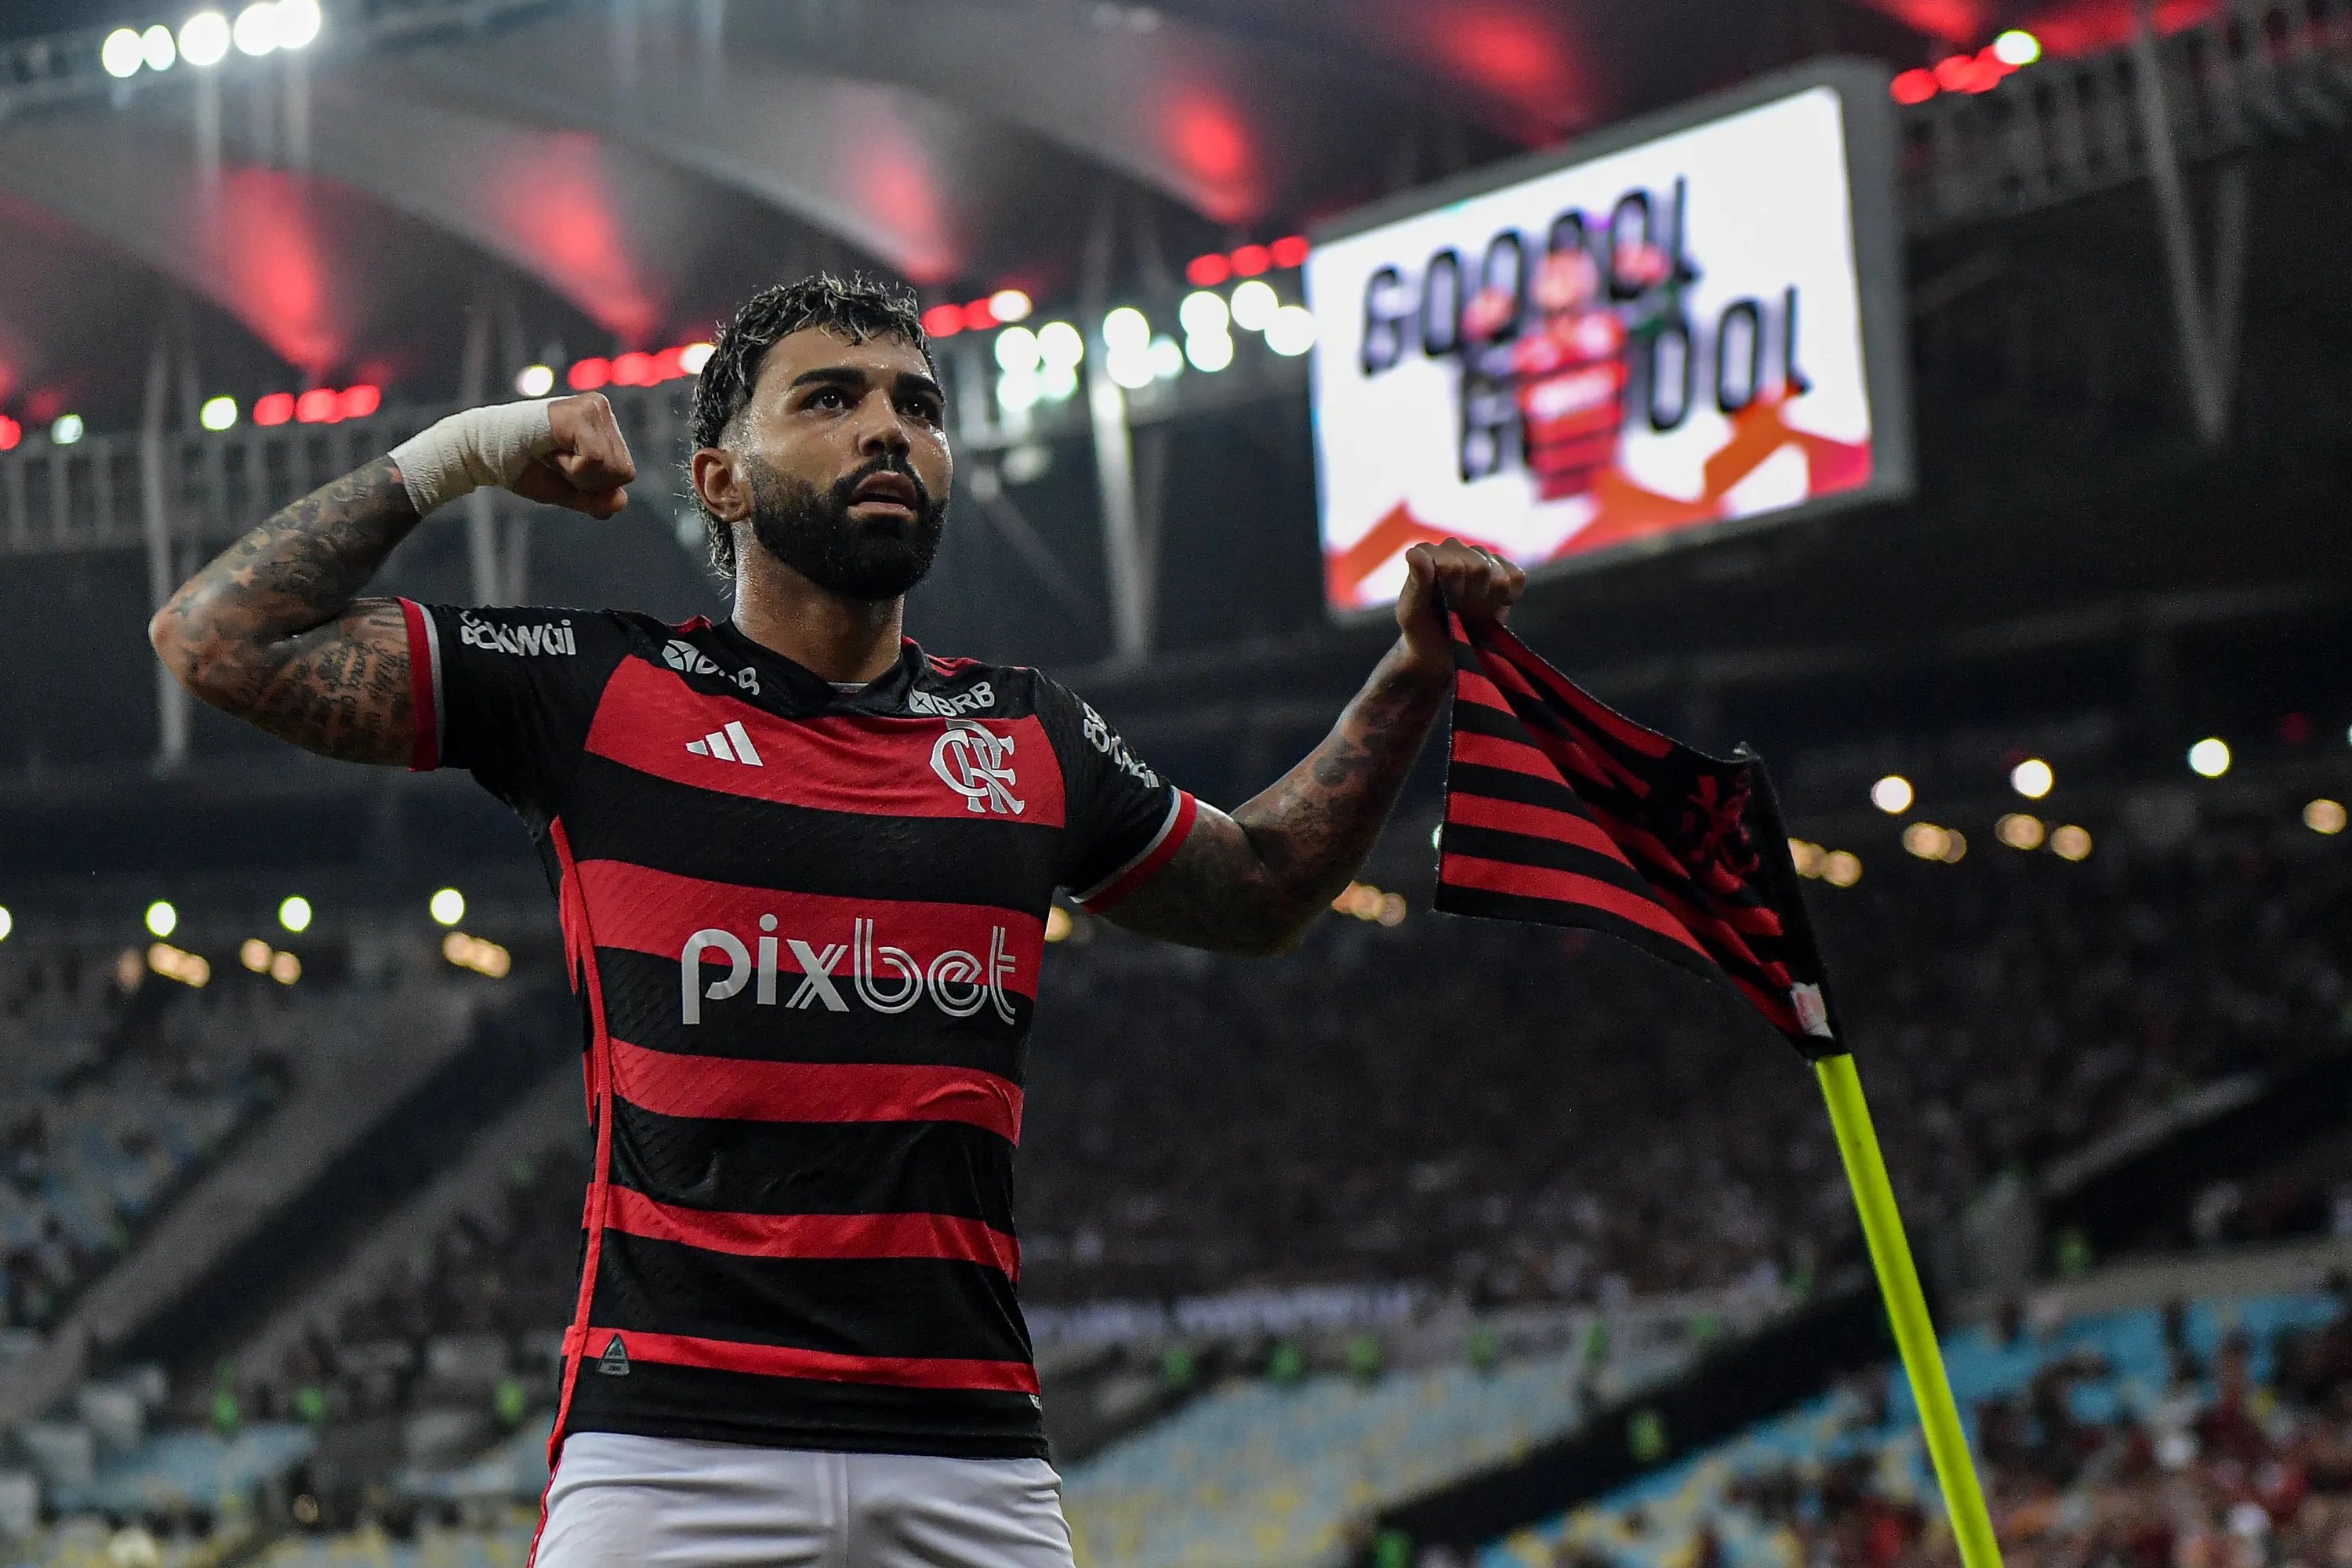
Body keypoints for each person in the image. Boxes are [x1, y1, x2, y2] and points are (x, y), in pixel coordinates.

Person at [149, 273, 1524, 1566]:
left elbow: (1266, 891)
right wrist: (470, 450)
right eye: (830, 399)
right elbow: (216, 639)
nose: (887, 429)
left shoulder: (1028, 735)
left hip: (971, 1463)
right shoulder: (598, 689)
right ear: (719, 480)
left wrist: (1412, 673)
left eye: (917, 406)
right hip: (669, 1457)